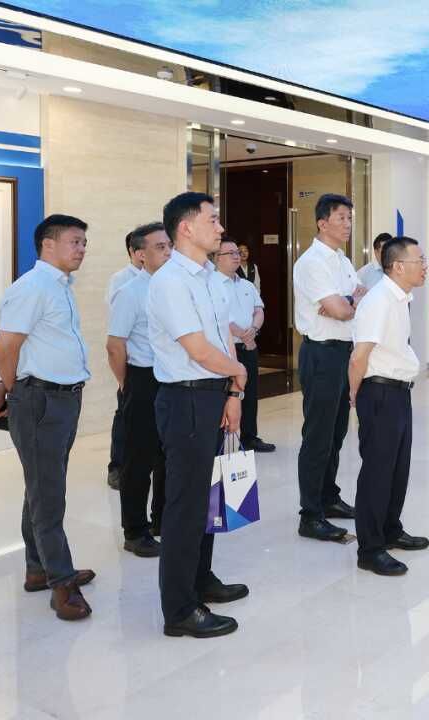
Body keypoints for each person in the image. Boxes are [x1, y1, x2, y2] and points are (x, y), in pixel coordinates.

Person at [0, 215, 95, 621]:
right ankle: (61, 583)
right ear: (48, 244)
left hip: (62, 398)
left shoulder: (59, 286)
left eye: (84, 242)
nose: (82, 249)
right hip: (40, 401)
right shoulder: (32, 287)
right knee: (48, 495)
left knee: (42, 486)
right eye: (75, 241)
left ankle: (37, 568)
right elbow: (5, 348)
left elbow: (35, 348)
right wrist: (13, 389)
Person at [147, 192, 249, 638]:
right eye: (213, 219)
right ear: (186, 227)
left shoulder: (209, 278)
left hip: (214, 394)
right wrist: (238, 372)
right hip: (185, 399)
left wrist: (233, 392)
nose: (221, 228)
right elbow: (198, 350)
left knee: (209, 498)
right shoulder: (170, 281)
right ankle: (179, 609)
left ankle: (200, 579)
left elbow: (223, 339)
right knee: (185, 507)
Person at [348, 236, 429, 576]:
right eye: (419, 261)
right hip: (379, 393)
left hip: (398, 392)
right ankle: (369, 549)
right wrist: (355, 395)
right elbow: (359, 356)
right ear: (398, 266)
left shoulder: (400, 298)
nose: (425, 267)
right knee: (377, 473)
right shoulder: (379, 301)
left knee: (398, 469)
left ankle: (390, 530)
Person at [294, 193, 366, 541]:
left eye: (350, 218)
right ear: (322, 223)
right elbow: (340, 310)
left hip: (343, 353)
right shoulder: (312, 262)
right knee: (318, 436)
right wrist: (347, 303)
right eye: (341, 218)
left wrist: (346, 303)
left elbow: (356, 299)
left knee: (336, 432)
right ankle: (310, 515)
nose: (348, 224)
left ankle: (328, 497)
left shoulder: (342, 259)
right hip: (321, 354)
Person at [106, 222, 171, 558]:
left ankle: (162, 520)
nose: (168, 252)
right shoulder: (130, 292)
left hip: (172, 379)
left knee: (167, 456)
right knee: (138, 459)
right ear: (141, 255)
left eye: (169, 245)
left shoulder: (173, 287)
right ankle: (134, 530)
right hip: (143, 379)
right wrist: (126, 383)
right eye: (160, 247)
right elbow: (115, 345)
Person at [215, 238, 275, 453]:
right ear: (216, 258)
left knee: (249, 394)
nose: (236, 256)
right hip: (225, 350)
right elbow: (217, 317)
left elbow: (259, 310)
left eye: (237, 253)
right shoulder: (211, 285)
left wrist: (253, 330)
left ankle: (249, 437)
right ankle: (220, 442)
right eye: (230, 253)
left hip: (248, 347)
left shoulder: (247, 285)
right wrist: (242, 333)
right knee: (223, 396)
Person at [105, 233, 144, 491]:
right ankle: (117, 467)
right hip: (130, 361)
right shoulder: (121, 280)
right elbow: (117, 327)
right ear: (134, 251)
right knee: (124, 416)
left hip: (156, 365)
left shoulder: (161, 278)